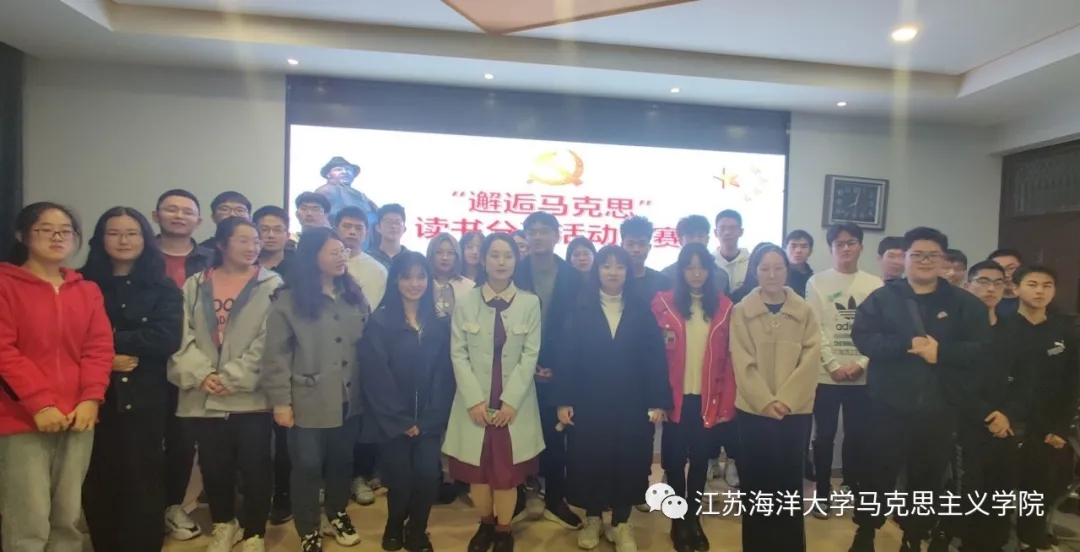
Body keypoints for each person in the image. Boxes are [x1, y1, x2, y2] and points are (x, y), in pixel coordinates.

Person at [848, 227, 990, 552]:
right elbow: (863, 338)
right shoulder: (884, 298)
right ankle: (866, 531)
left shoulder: (964, 304)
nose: (925, 261)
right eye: (917, 255)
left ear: (944, 260)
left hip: (939, 407)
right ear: (905, 258)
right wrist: (905, 345)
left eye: (933, 255)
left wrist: (942, 353)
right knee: (877, 472)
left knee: (927, 478)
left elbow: (982, 349)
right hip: (888, 404)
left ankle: (914, 535)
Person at [0, 202, 113, 552]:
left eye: (65, 230)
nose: (57, 237)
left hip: (78, 416)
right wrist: (40, 404)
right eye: (45, 229)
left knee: (68, 517)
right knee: (28, 519)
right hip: (20, 417)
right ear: (22, 235)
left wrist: (91, 398)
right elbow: (4, 351)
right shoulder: (5, 284)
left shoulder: (87, 290)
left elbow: (98, 348)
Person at [167, 216, 283, 552]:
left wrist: (232, 376)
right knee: (214, 465)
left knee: (256, 465)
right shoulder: (196, 283)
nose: (252, 247)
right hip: (204, 393)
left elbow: (271, 340)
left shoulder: (271, 284)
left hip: (251, 395)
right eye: (243, 240)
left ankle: (254, 532)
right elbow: (181, 334)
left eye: (256, 241)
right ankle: (223, 523)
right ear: (222, 244)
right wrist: (201, 374)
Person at [80, 207, 184, 552]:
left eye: (132, 233)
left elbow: (165, 338)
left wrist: (108, 340)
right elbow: (68, 338)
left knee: (143, 480)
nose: (123, 240)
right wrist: (106, 358)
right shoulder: (81, 284)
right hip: (91, 398)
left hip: (146, 398)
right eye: (114, 233)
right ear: (100, 239)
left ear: (145, 239)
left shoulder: (162, 287)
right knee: (98, 480)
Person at [556, 245, 671, 551]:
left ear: (627, 272)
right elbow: (567, 356)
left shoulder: (640, 309)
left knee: (629, 460)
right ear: (597, 270)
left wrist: (657, 400)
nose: (613, 272)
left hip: (631, 401)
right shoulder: (580, 306)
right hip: (589, 400)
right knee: (589, 458)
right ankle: (593, 519)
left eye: (619, 266)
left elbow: (654, 358)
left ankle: (621, 522)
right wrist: (564, 400)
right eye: (606, 266)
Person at [263, 228, 368, 552]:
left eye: (343, 251)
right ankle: (308, 527)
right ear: (313, 256)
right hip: (307, 399)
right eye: (333, 252)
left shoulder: (353, 294)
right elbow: (276, 355)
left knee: (341, 463)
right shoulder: (288, 300)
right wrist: (281, 402)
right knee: (307, 466)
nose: (341, 257)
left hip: (349, 399)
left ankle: (336, 513)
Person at [443, 233, 545, 552]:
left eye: (508, 256)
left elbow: (530, 354)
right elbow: (458, 353)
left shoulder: (530, 302)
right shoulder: (466, 301)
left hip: (514, 403)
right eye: (494, 255)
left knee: (505, 473)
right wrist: (474, 401)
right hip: (474, 402)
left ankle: (504, 529)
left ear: (516, 261)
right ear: (483, 259)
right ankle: (486, 523)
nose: (501, 262)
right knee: (478, 473)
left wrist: (511, 402)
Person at [359, 252, 455, 552]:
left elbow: (445, 374)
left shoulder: (439, 323)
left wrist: (428, 419)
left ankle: (417, 530)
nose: (414, 283)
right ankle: (393, 525)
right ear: (396, 280)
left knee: (427, 475)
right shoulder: (380, 322)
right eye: (407, 277)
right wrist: (400, 420)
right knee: (398, 478)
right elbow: (376, 375)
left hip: (428, 421)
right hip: (392, 422)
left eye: (420, 276)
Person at [729, 244, 820, 552]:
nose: (772, 274)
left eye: (778, 268)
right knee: (756, 482)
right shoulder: (741, 311)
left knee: (789, 483)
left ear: (787, 270)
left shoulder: (804, 311)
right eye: (765, 268)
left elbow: (811, 359)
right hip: (754, 412)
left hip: (795, 412)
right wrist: (765, 401)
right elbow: (741, 360)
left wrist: (787, 399)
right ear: (755, 271)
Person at [651, 243, 737, 552]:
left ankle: (693, 519)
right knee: (674, 461)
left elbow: (730, 361)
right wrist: (656, 398)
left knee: (701, 461)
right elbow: (652, 356)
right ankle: (678, 521)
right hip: (674, 399)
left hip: (707, 400)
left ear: (710, 271)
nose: (696, 273)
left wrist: (726, 404)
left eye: (702, 267)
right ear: (681, 270)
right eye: (690, 267)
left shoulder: (725, 307)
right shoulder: (663, 303)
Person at [927, 260, 1015, 552]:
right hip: (963, 420)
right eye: (983, 281)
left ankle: (988, 543)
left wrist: (1007, 414)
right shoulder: (952, 330)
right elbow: (949, 379)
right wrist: (987, 413)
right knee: (966, 488)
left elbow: (1023, 378)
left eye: (998, 282)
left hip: (1005, 422)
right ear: (967, 285)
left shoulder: (1011, 329)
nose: (991, 289)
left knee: (999, 489)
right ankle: (944, 536)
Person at [803, 223, 882, 519]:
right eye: (839, 243)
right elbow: (815, 329)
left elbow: (878, 332)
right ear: (830, 248)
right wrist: (834, 365)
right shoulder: (817, 282)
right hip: (826, 376)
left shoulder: (875, 284)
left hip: (863, 375)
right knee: (824, 436)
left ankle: (853, 487)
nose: (846, 248)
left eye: (851, 242)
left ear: (861, 247)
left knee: (858, 435)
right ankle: (822, 493)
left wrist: (860, 363)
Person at [513, 212, 584, 529]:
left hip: (559, 369)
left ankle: (556, 498)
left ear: (557, 235)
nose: (538, 236)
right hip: (517, 368)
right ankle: (517, 498)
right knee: (515, 435)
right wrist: (526, 365)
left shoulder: (574, 277)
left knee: (556, 439)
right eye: (532, 231)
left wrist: (557, 368)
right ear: (525, 237)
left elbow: (577, 331)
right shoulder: (514, 272)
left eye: (544, 231)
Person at [152, 188, 213, 540]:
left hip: (195, 363)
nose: (178, 216)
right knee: (144, 441)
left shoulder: (210, 260)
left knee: (183, 439)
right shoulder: (142, 255)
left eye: (186, 211)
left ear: (198, 220)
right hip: (146, 363)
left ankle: (174, 505)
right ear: (156, 215)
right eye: (170, 209)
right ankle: (144, 507)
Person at [1010, 265, 1077, 551]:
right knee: (997, 487)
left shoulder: (1065, 332)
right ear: (1015, 288)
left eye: (1047, 285)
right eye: (1033, 284)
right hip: (1007, 422)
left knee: (1036, 488)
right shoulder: (1002, 328)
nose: (1040, 291)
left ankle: (1031, 538)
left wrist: (1060, 427)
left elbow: (1071, 385)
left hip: (1047, 426)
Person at [313, 156, 379, 249]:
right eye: (338, 169)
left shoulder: (361, 195)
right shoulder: (326, 191)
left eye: (348, 170)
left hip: (363, 248)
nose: (344, 172)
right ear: (328, 174)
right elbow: (321, 219)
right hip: (336, 247)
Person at [662, 215, 730, 295]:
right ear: (680, 241)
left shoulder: (721, 276)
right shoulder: (666, 275)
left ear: (707, 239)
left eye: (700, 236)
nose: (696, 241)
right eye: (691, 236)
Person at [619, 216, 672, 305]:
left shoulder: (663, 281)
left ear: (649, 247)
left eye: (641, 244)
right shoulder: (613, 279)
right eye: (630, 244)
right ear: (622, 246)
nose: (636, 249)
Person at [427, 233, 476, 318]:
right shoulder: (422, 285)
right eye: (439, 252)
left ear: (457, 256)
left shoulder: (470, 287)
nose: (444, 257)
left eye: (450, 253)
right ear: (431, 255)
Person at [714, 210, 749, 290]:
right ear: (715, 232)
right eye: (722, 228)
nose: (727, 232)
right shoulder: (710, 262)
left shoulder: (751, 262)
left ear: (741, 232)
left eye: (732, 228)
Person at [369, 204, 409, 269]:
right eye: (388, 222)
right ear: (378, 227)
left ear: (404, 229)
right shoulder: (367, 257)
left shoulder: (411, 259)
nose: (393, 226)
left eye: (397, 222)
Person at [988, 248, 1023, 316]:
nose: (1006, 275)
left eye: (1011, 268)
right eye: (1000, 269)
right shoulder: (984, 303)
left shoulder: (1034, 300)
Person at [783, 230, 814, 297]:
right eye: (793, 246)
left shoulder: (813, 280)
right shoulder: (779, 276)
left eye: (803, 247)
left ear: (810, 251)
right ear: (785, 249)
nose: (798, 251)